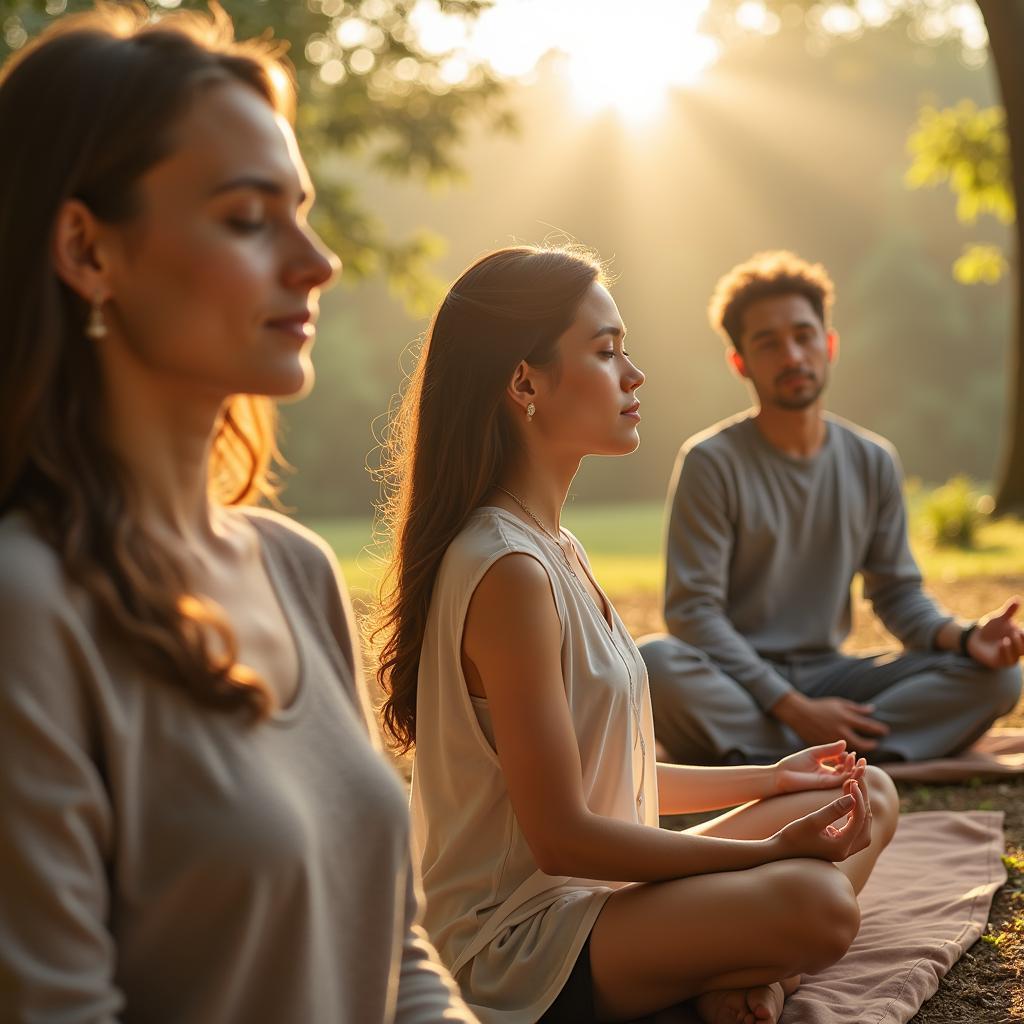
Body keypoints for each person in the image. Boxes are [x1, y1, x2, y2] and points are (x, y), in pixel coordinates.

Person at [0, 8, 474, 1022]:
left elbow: (398, 953)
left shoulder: (295, 569)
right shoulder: (27, 608)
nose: (317, 260)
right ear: (87, 250)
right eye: (248, 217)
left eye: (300, 209)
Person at [374, 245, 900, 1024]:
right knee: (816, 899)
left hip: (601, 898)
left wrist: (772, 779)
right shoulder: (507, 571)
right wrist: (764, 855)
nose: (634, 375)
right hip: (520, 948)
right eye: (606, 351)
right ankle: (746, 973)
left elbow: (617, 784)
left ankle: (747, 980)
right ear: (525, 381)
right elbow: (564, 839)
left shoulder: (556, 546)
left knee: (867, 792)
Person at [640, 250, 1023, 767]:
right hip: (734, 678)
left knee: (999, 676)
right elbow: (692, 613)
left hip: (831, 673)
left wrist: (968, 637)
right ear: (741, 362)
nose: (793, 356)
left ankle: (779, 756)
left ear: (829, 343)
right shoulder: (710, 461)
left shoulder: (872, 459)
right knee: (654, 662)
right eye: (768, 344)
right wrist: (794, 708)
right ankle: (834, 753)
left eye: (803, 336)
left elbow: (897, 595)